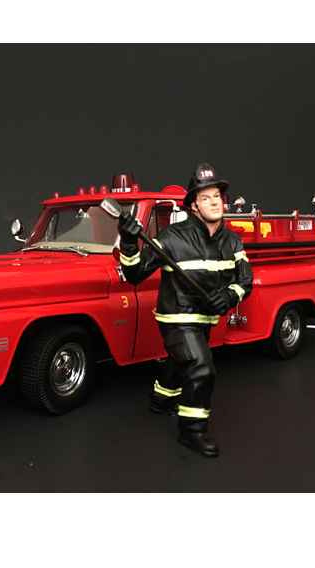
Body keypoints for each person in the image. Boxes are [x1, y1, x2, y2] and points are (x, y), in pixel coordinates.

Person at [117, 163, 253, 457]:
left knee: (183, 361)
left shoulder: (233, 241)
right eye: (205, 198)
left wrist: (228, 296)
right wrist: (128, 241)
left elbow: (245, 281)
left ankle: (161, 401)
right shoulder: (171, 238)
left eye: (217, 196)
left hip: (206, 319)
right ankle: (192, 432)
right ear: (193, 206)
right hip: (177, 318)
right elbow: (135, 274)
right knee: (202, 367)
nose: (214, 202)